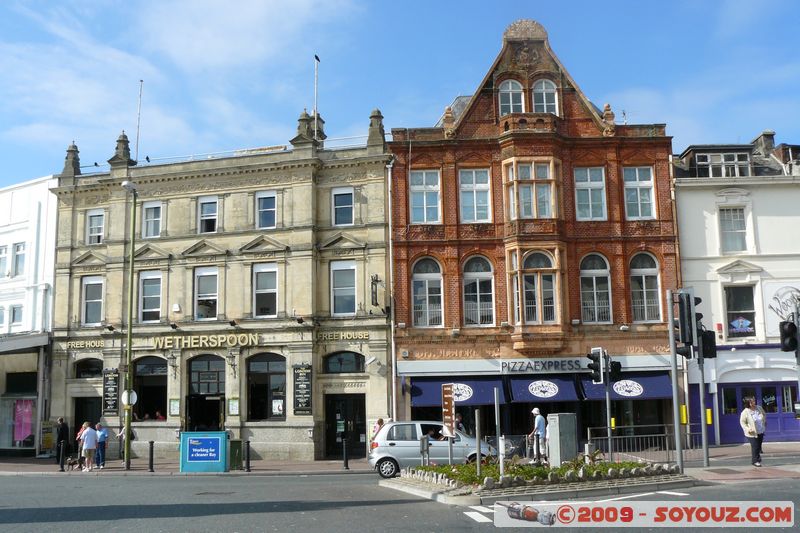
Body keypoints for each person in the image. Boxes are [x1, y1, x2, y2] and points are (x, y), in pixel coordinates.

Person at [740, 396, 766, 467]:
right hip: (751, 433)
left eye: (754, 401)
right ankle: (755, 461)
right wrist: (748, 429)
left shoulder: (759, 408)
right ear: (748, 403)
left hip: (760, 430)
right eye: (751, 402)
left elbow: (764, 414)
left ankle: (757, 459)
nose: (753, 403)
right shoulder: (745, 412)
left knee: (759, 446)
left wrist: (764, 422)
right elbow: (742, 422)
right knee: (755, 446)